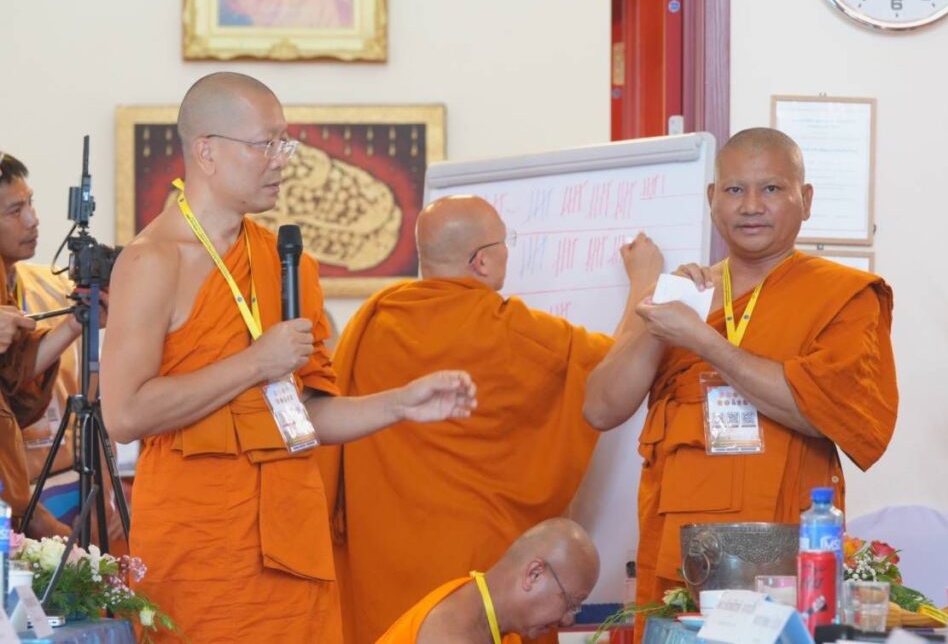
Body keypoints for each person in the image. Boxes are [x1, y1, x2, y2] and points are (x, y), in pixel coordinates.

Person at [99, 72, 477, 642]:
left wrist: (400, 404)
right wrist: (255, 363)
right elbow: (125, 414)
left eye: (285, 143)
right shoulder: (152, 261)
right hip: (200, 549)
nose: (281, 161)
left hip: (292, 544)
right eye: (265, 144)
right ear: (206, 152)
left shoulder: (284, 261)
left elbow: (305, 414)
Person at [583, 128, 899, 638]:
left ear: (806, 200)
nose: (751, 206)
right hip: (679, 556)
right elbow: (600, 408)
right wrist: (663, 308)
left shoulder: (841, 295)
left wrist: (703, 341)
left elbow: (817, 409)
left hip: (785, 562)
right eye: (734, 190)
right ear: (713, 199)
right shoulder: (686, 294)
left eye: (771, 188)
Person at [316, 194, 661, 643]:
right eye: (505, 242)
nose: (508, 253)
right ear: (481, 261)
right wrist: (645, 283)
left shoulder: (377, 319)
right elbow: (611, 378)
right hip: (468, 572)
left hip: (379, 565)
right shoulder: (509, 331)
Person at [0, 152, 97, 539]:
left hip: (66, 477)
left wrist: (77, 320)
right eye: (15, 210)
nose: (33, 219)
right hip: (17, 492)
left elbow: (18, 372)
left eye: (31, 203)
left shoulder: (52, 285)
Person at [377, 518, 600, 644]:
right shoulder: (451, 635)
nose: (568, 619)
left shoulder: (485, 604)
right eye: (571, 603)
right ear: (534, 574)